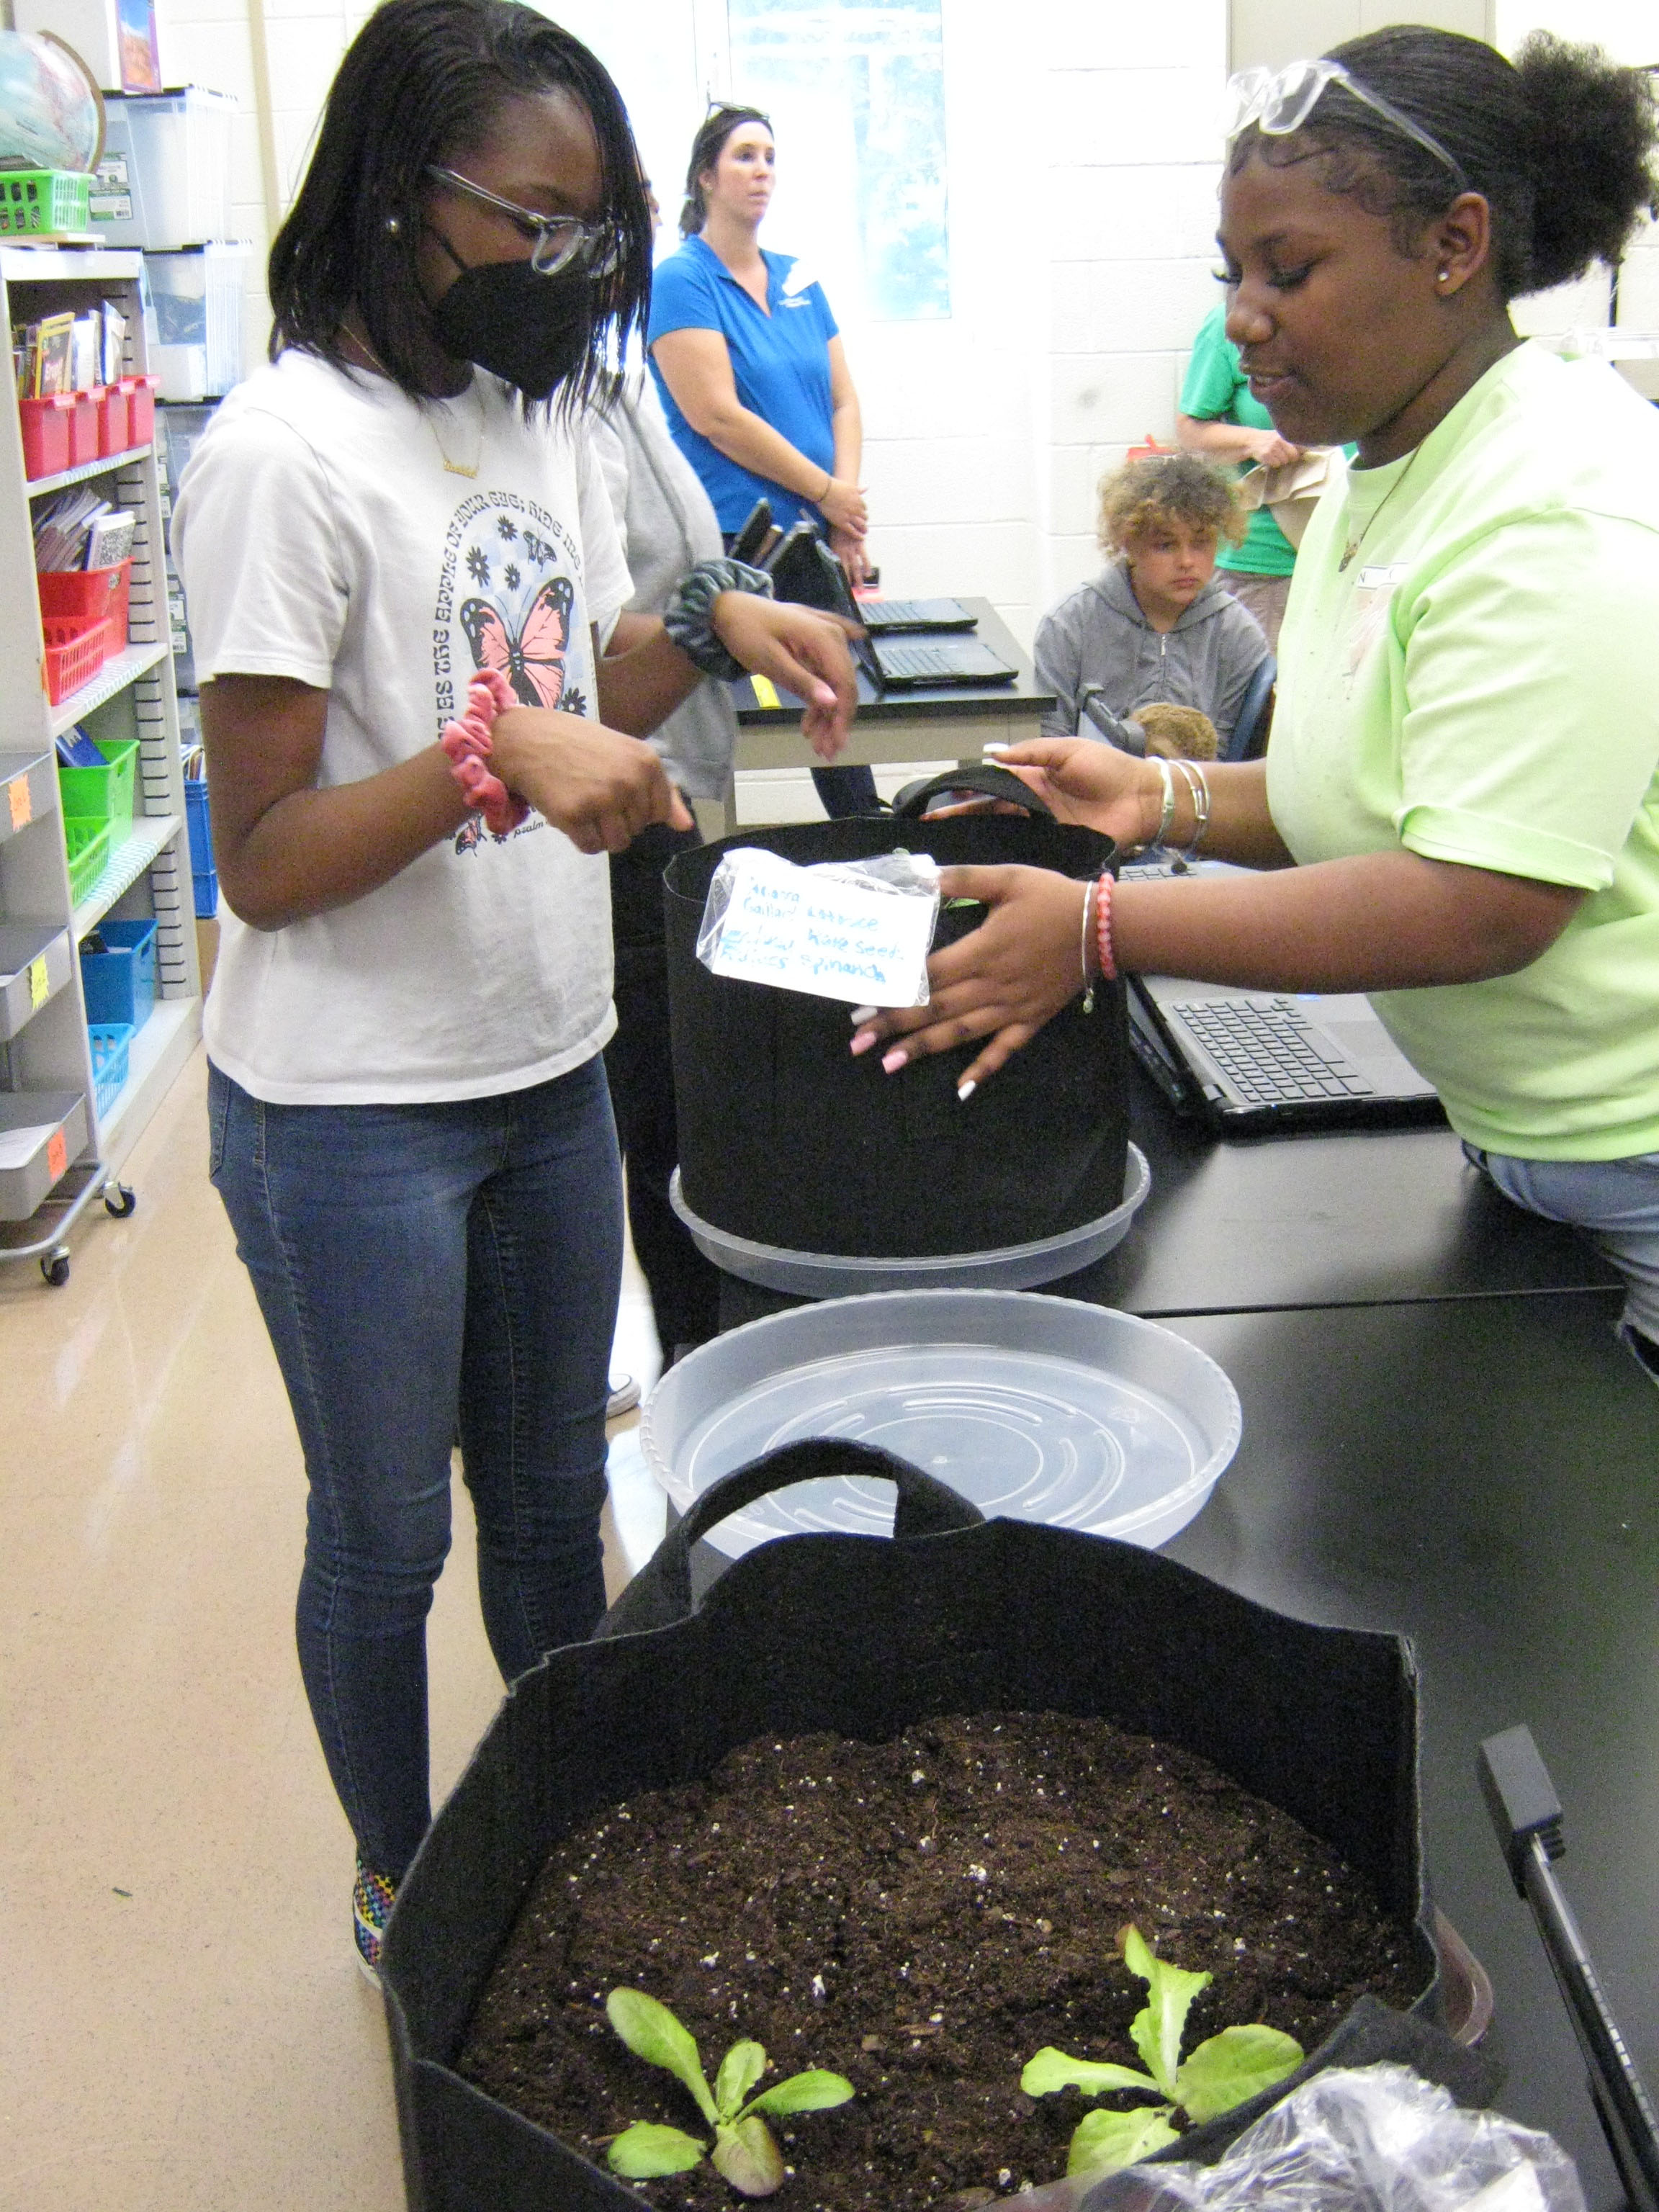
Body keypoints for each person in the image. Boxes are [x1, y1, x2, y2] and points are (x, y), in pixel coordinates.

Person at [171, 0, 858, 1981]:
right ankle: (405, 1872)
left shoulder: (532, 413)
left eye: (599, 229)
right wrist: (495, 758)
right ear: (405, 194)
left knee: (560, 1508)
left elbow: (584, 696)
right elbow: (271, 862)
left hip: (549, 1061)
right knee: (387, 1539)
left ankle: (582, 1834)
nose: (573, 269)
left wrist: (709, 626)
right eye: (535, 222)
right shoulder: (284, 459)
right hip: (349, 1114)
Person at [850, 28, 1659, 1387]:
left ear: (1452, 244)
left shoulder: (1552, 499)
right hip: (1527, 1137)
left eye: (1290, 271)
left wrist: (1099, 926)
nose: (1241, 317)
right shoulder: (1376, 470)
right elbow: (1370, 791)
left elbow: (1479, 896)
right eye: (1233, 274)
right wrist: (1154, 796)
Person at [648, 102, 878, 818]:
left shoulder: (799, 277)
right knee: (724, 733)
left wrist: (843, 503)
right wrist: (826, 491)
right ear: (705, 177)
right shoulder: (682, 280)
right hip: (731, 546)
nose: (761, 171)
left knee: (839, 721)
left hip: (811, 535)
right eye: (745, 155)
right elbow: (716, 415)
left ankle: (874, 854)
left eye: (770, 157)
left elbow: (843, 398)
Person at [1034, 453, 1268, 752]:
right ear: (1128, 542)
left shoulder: (1237, 634)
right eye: (1165, 545)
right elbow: (1050, 741)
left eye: (1201, 543)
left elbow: (1230, 753)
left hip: (1196, 792)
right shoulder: (1069, 624)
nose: (1186, 562)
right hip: (1086, 792)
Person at [1175, 302, 1307, 652]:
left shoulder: (1360, 311)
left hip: (1351, 553)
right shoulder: (1229, 321)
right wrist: (1254, 440)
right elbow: (1191, 430)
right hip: (1265, 562)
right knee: (1263, 700)